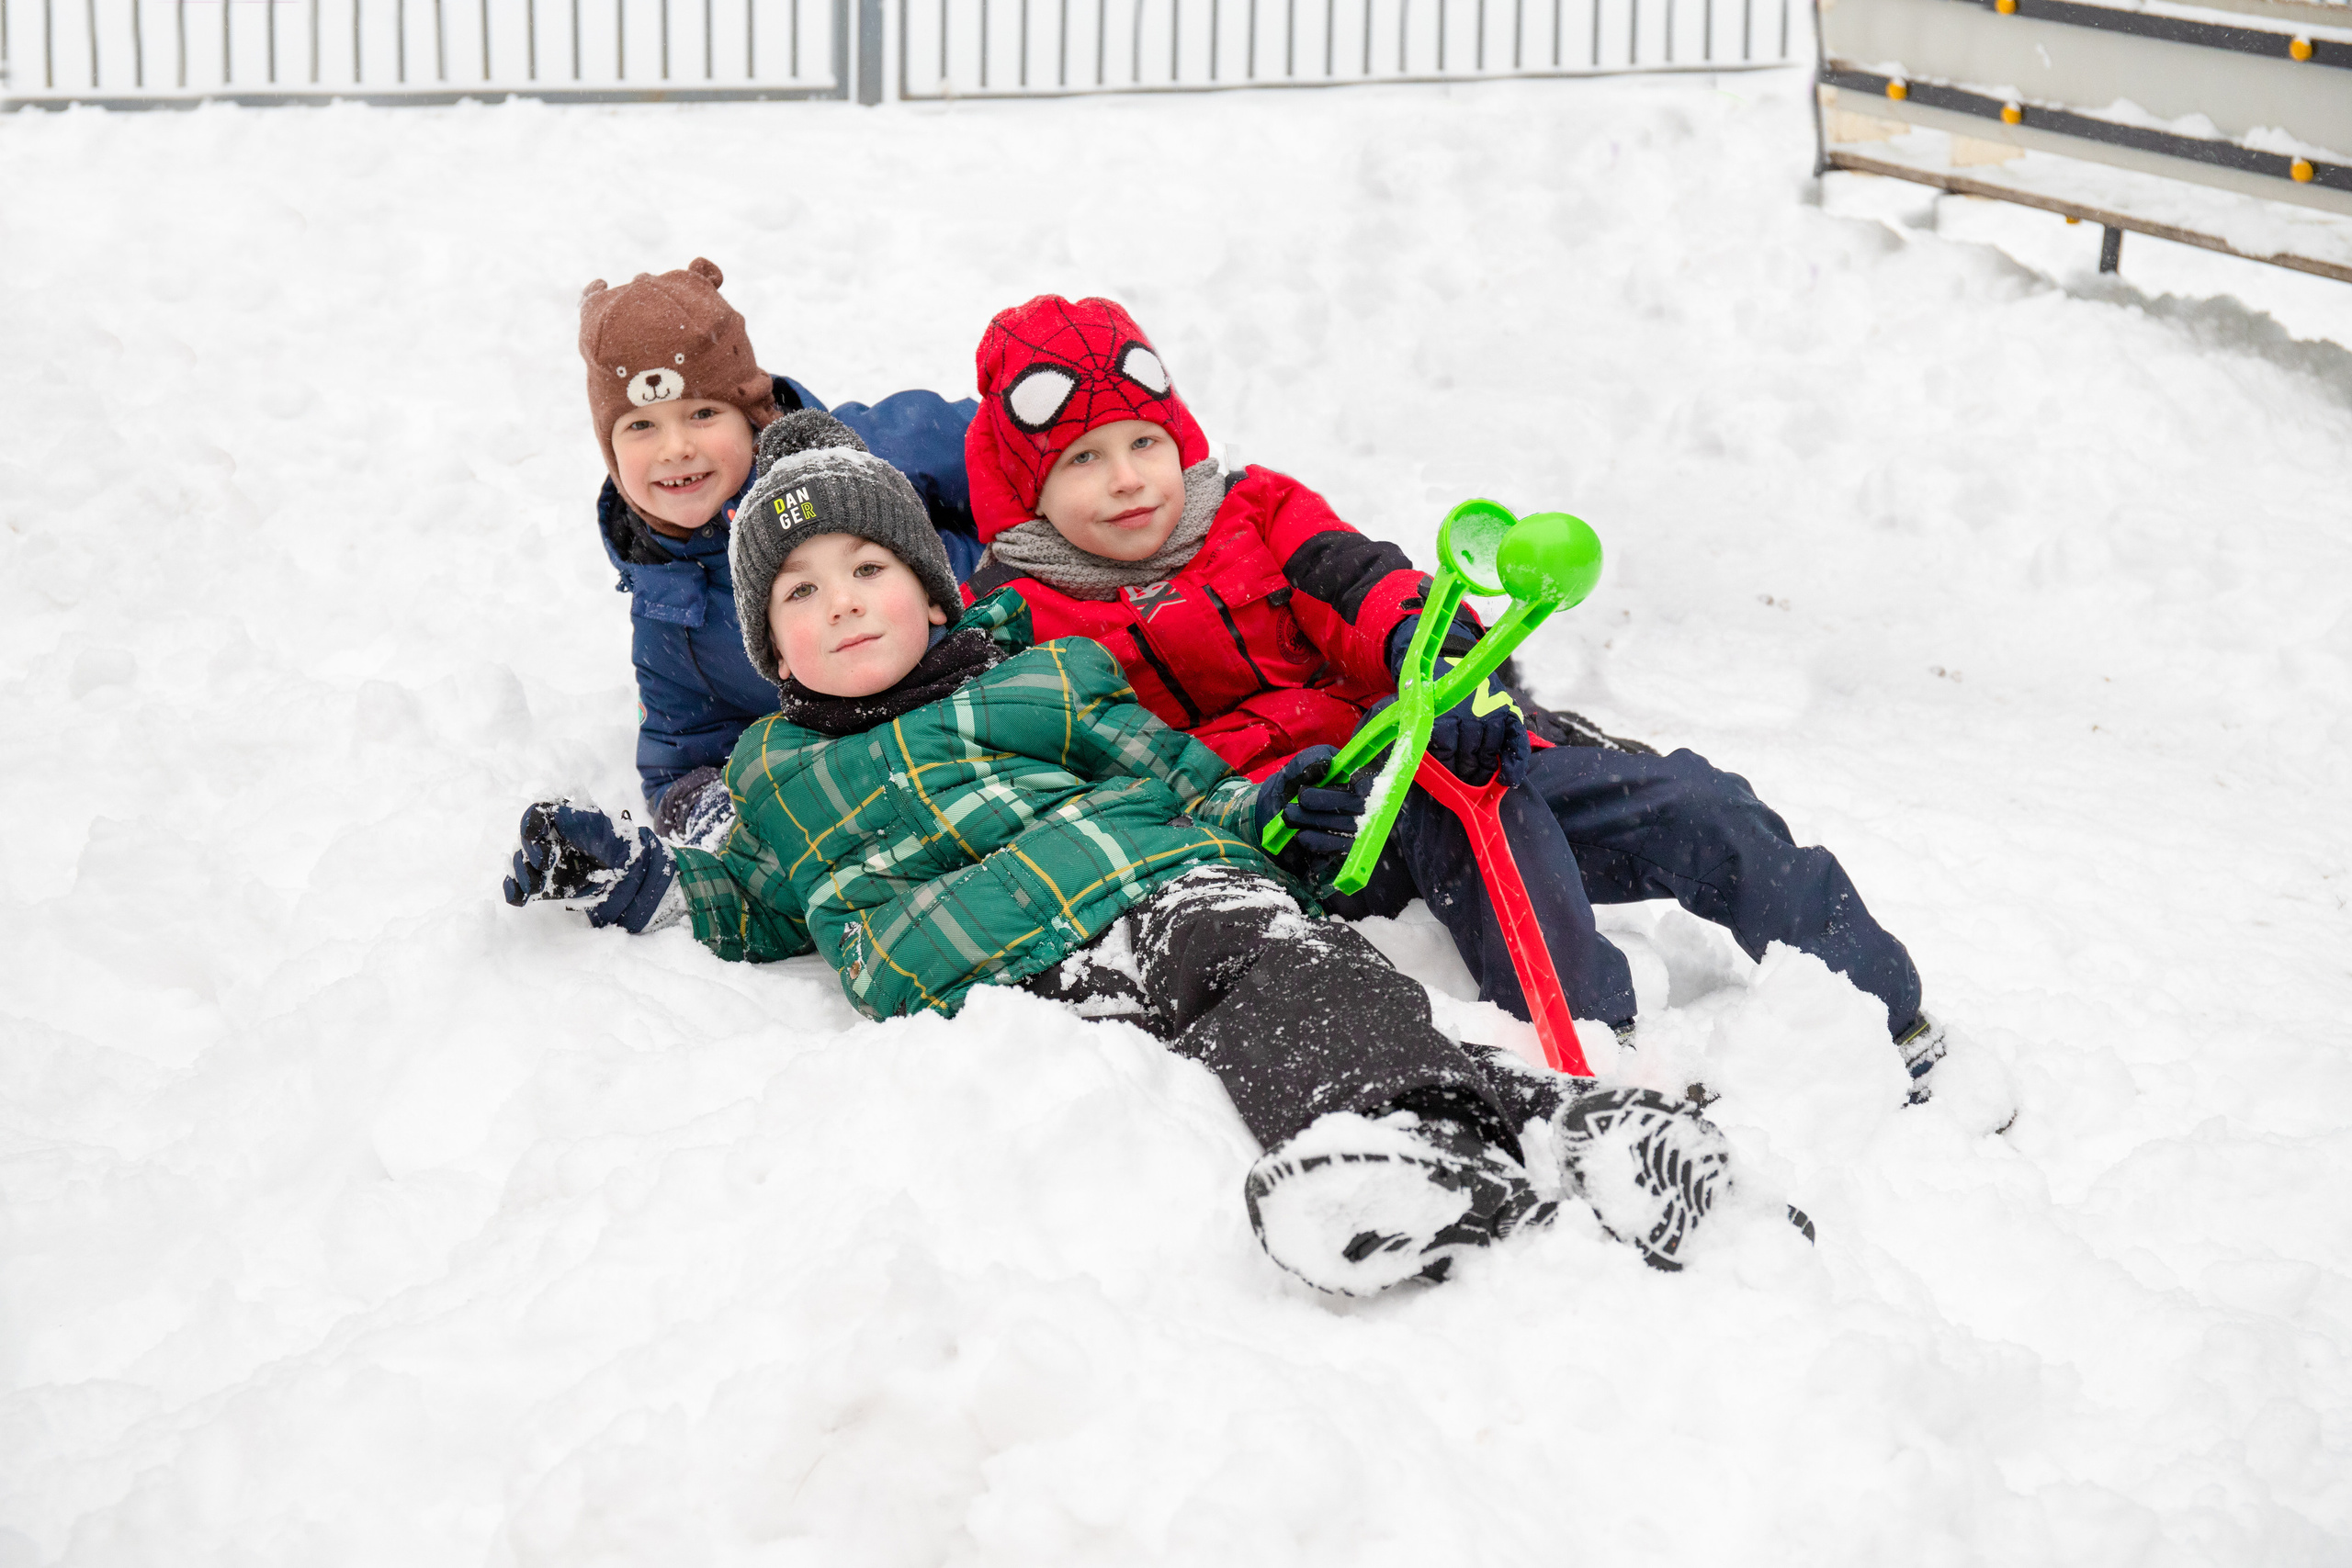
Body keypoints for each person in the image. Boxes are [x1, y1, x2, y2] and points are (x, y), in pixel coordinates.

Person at [501, 411, 1742, 1294]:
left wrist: (1271, 822)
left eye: (869, 566)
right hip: (998, 983)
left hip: (1153, 880)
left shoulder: (1044, 676)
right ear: (774, 652)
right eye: (799, 592)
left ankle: (1433, 1141)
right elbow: (758, 900)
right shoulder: (777, 775)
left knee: (1280, 975)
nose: (840, 601)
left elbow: (1182, 780)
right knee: (1233, 1032)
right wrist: (631, 875)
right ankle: (1551, 1121)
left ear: (933, 591)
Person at [961, 295, 1953, 1094]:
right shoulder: (1021, 621)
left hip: (1420, 738)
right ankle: (1592, 1060)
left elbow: (1371, 587)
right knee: (1477, 826)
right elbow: (1099, 770)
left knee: (1689, 800)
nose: (1128, 480)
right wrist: (1256, 806)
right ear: (1025, 487)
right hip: (1309, 825)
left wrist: (1437, 668)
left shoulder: (1255, 509)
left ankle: (1878, 1004)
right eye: (1082, 461)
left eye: (1142, 443)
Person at [578, 257, 981, 849]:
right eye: (640, 427)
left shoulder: (854, 456)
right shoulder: (671, 606)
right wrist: (736, 832)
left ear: (752, 416)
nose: (675, 448)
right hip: (887, 775)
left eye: (703, 413)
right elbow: (679, 762)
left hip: (990, 675)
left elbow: (1005, 439)